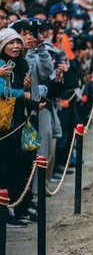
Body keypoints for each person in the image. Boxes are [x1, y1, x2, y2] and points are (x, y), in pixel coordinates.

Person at [0, 29, 45, 225]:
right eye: (11, 43)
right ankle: (7, 212)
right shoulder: (2, 64)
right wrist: (23, 93)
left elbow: (19, 93)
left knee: (22, 166)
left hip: (19, 121)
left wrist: (27, 89)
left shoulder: (22, 64)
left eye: (18, 43)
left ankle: (20, 208)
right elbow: (3, 91)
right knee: (6, 168)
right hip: (4, 125)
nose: (16, 46)